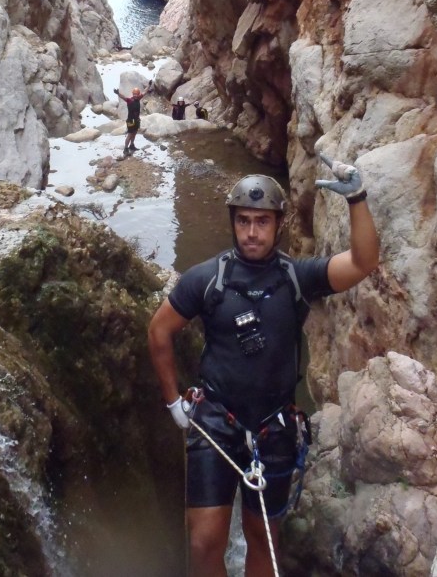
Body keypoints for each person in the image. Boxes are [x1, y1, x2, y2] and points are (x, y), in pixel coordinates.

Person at [147, 153, 379, 577]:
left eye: (262, 222)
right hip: (216, 422)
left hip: (274, 428)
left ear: (279, 224)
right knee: (202, 542)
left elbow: (363, 263)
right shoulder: (207, 279)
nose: (252, 232)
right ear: (233, 222)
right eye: (243, 221)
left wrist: (357, 199)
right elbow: (159, 331)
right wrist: (173, 402)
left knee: (262, 538)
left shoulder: (297, 278)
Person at [113, 80, 152, 155]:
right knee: (130, 134)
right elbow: (123, 97)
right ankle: (125, 148)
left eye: (136, 94)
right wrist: (118, 93)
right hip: (130, 121)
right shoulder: (129, 100)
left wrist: (149, 85)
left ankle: (132, 145)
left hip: (136, 120)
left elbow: (144, 92)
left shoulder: (139, 98)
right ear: (133, 94)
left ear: (138, 94)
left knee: (134, 133)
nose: (135, 95)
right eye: (134, 94)